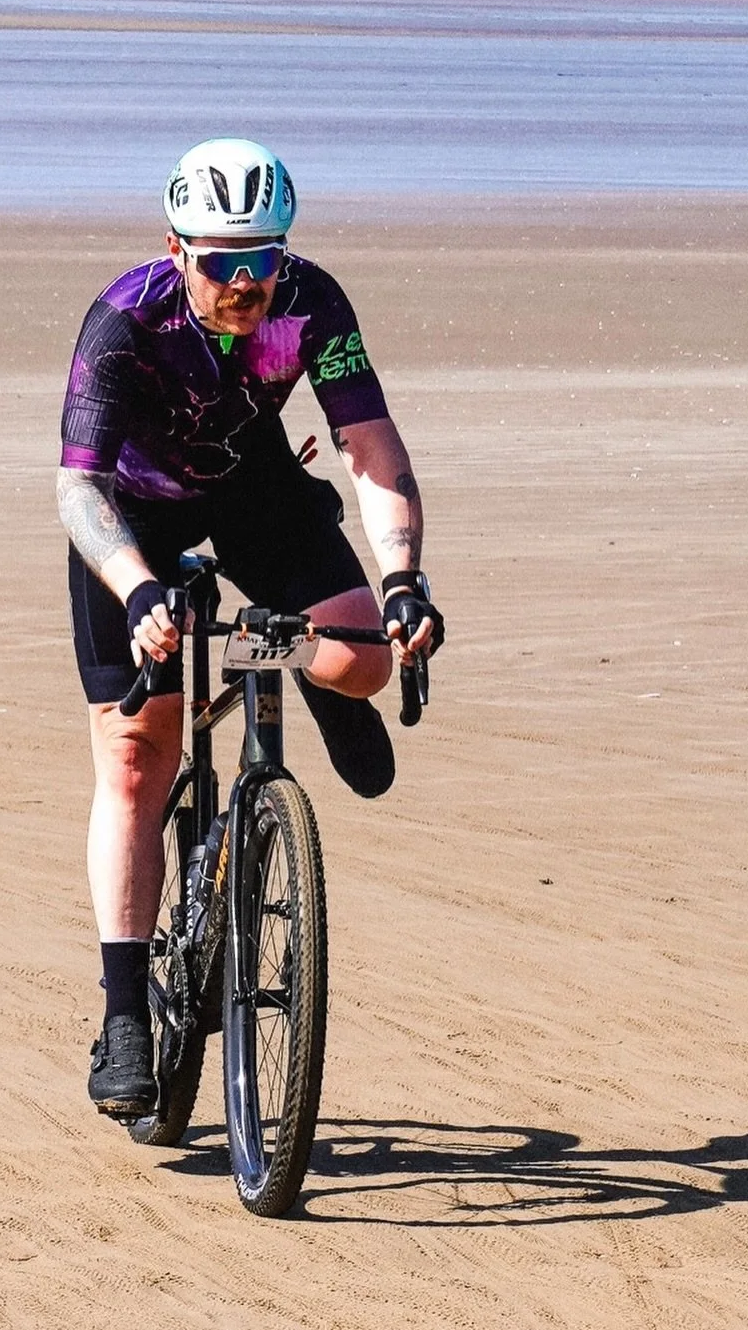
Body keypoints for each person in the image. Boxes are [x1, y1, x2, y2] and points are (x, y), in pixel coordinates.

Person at [57, 138, 445, 1119]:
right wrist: (141, 591)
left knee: (363, 655)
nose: (245, 283)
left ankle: (311, 670)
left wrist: (402, 580)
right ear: (175, 248)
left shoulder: (311, 303)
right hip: (133, 519)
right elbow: (79, 487)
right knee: (138, 761)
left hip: (253, 491)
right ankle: (125, 1020)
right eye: (222, 261)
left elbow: (368, 446)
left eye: (261, 260)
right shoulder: (124, 322)